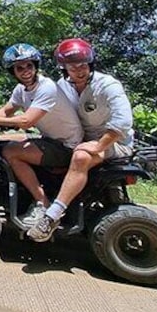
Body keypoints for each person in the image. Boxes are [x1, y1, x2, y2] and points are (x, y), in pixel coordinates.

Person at [27, 38, 134, 242]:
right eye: (73, 66)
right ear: (64, 68)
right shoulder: (62, 87)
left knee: (81, 157)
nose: (79, 70)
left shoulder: (107, 85)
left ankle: (51, 217)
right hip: (80, 140)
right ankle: (40, 198)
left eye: (83, 65)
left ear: (90, 64)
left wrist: (99, 144)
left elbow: (123, 122)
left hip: (115, 143)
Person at [0, 43, 84, 228]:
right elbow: (6, 111)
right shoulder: (21, 90)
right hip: (51, 140)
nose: (25, 71)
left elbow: (27, 121)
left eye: (29, 66)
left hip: (66, 146)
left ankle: (42, 203)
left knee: (11, 153)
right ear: (13, 71)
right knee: (1, 142)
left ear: (36, 66)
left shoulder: (46, 87)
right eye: (20, 68)